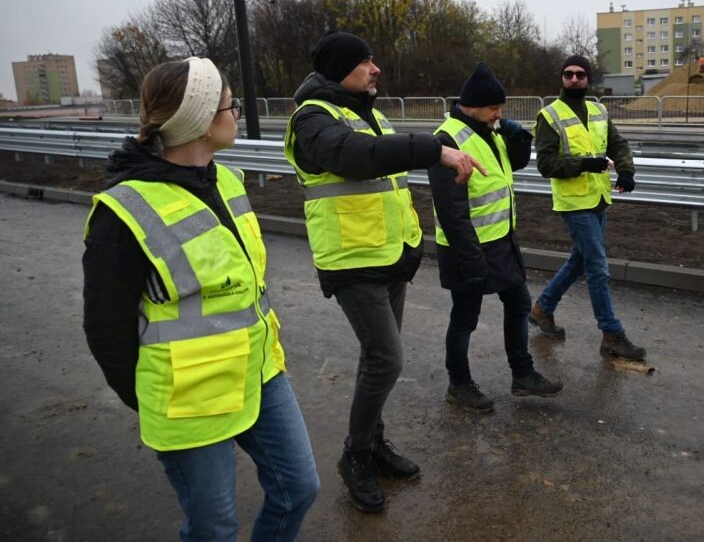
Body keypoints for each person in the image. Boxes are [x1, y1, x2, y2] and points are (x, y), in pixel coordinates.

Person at [82, 58, 320, 541]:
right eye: (231, 106)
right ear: (203, 122)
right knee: (215, 528)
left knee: (299, 489)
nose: (237, 114)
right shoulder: (123, 211)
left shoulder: (225, 180)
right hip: (189, 400)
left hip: (259, 372)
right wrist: (150, 400)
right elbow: (106, 328)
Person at [283, 31, 484, 513]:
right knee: (387, 360)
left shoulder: (363, 111)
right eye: (365, 61)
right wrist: (435, 149)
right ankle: (354, 456)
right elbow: (357, 158)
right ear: (340, 68)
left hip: (389, 254)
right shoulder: (312, 117)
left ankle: (373, 443)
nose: (375, 69)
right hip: (352, 260)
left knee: (376, 357)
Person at [429, 62, 563, 412]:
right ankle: (459, 384)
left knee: (518, 304)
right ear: (471, 105)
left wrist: (520, 137)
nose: (499, 114)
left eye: (500, 107)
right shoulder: (447, 140)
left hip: (501, 240)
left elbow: (512, 166)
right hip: (467, 247)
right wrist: (470, 257)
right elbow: (451, 210)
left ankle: (523, 374)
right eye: (493, 107)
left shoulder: (489, 130)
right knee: (465, 318)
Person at [529, 54, 647, 361]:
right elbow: (546, 164)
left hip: (598, 199)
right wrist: (585, 164)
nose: (574, 79)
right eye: (568, 74)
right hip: (574, 203)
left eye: (580, 74)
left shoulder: (598, 110)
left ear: (588, 79)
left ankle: (542, 308)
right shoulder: (549, 116)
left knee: (580, 261)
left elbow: (617, 144)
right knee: (597, 266)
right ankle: (612, 334)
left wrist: (626, 171)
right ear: (562, 78)